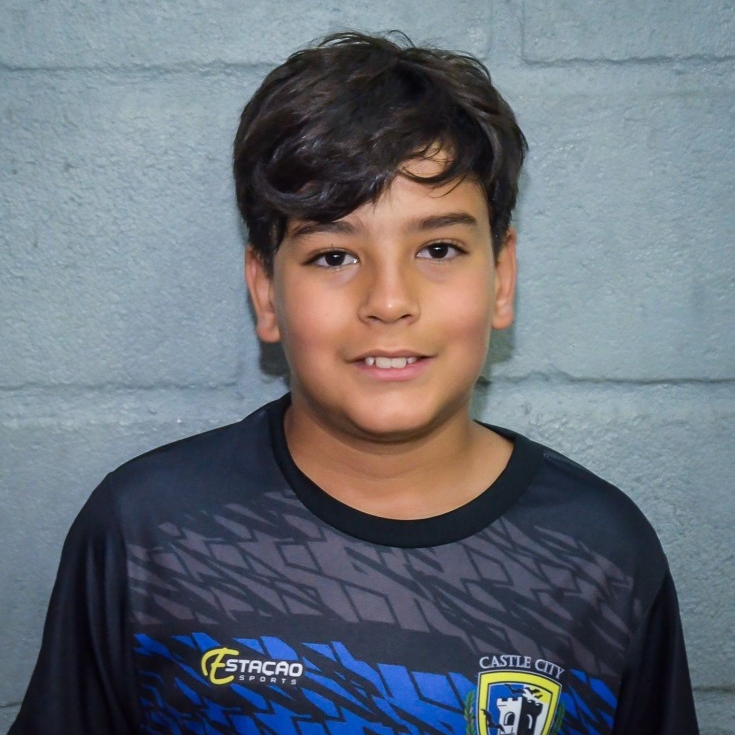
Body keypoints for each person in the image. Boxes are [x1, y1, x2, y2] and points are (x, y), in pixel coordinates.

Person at [10, 31, 698, 735]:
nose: (389, 300)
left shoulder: (603, 555)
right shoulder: (144, 534)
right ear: (266, 292)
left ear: (502, 278)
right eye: (334, 255)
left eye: (438, 248)